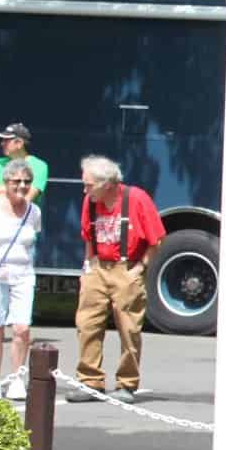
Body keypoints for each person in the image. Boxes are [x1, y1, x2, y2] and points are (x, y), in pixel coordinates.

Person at [71, 156, 165, 404]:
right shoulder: (90, 201)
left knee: (128, 328)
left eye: (89, 185)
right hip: (98, 267)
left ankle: (126, 383)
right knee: (87, 324)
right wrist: (88, 266)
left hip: (126, 267)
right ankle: (90, 381)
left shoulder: (136, 199)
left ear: (108, 183)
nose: (85, 190)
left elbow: (156, 239)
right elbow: (88, 235)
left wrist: (139, 269)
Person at [0, 160, 41, 399]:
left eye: (26, 181)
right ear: (6, 183)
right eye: (16, 181)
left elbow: (31, 242)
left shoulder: (34, 211)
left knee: (22, 328)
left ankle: (16, 379)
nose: (22, 186)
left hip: (23, 275)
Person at [0, 124, 48, 202]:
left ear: (19, 143)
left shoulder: (39, 166)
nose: (2, 143)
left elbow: (27, 198)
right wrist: (17, 188)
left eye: (6, 140)